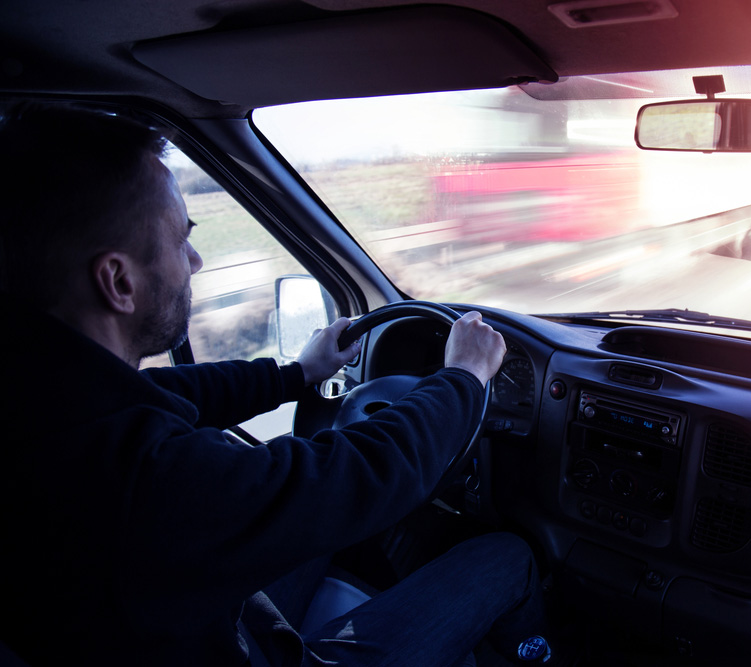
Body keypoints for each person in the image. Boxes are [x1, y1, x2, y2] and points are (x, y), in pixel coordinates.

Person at [0, 105, 555, 666]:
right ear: (118, 281)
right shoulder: (146, 483)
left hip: (176, 624)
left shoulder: (42, 395)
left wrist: (296, 375)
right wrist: (463, 376)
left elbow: (173, 393)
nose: (193, 260)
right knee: (506, 556)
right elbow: (359, 473)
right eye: (179, 239)